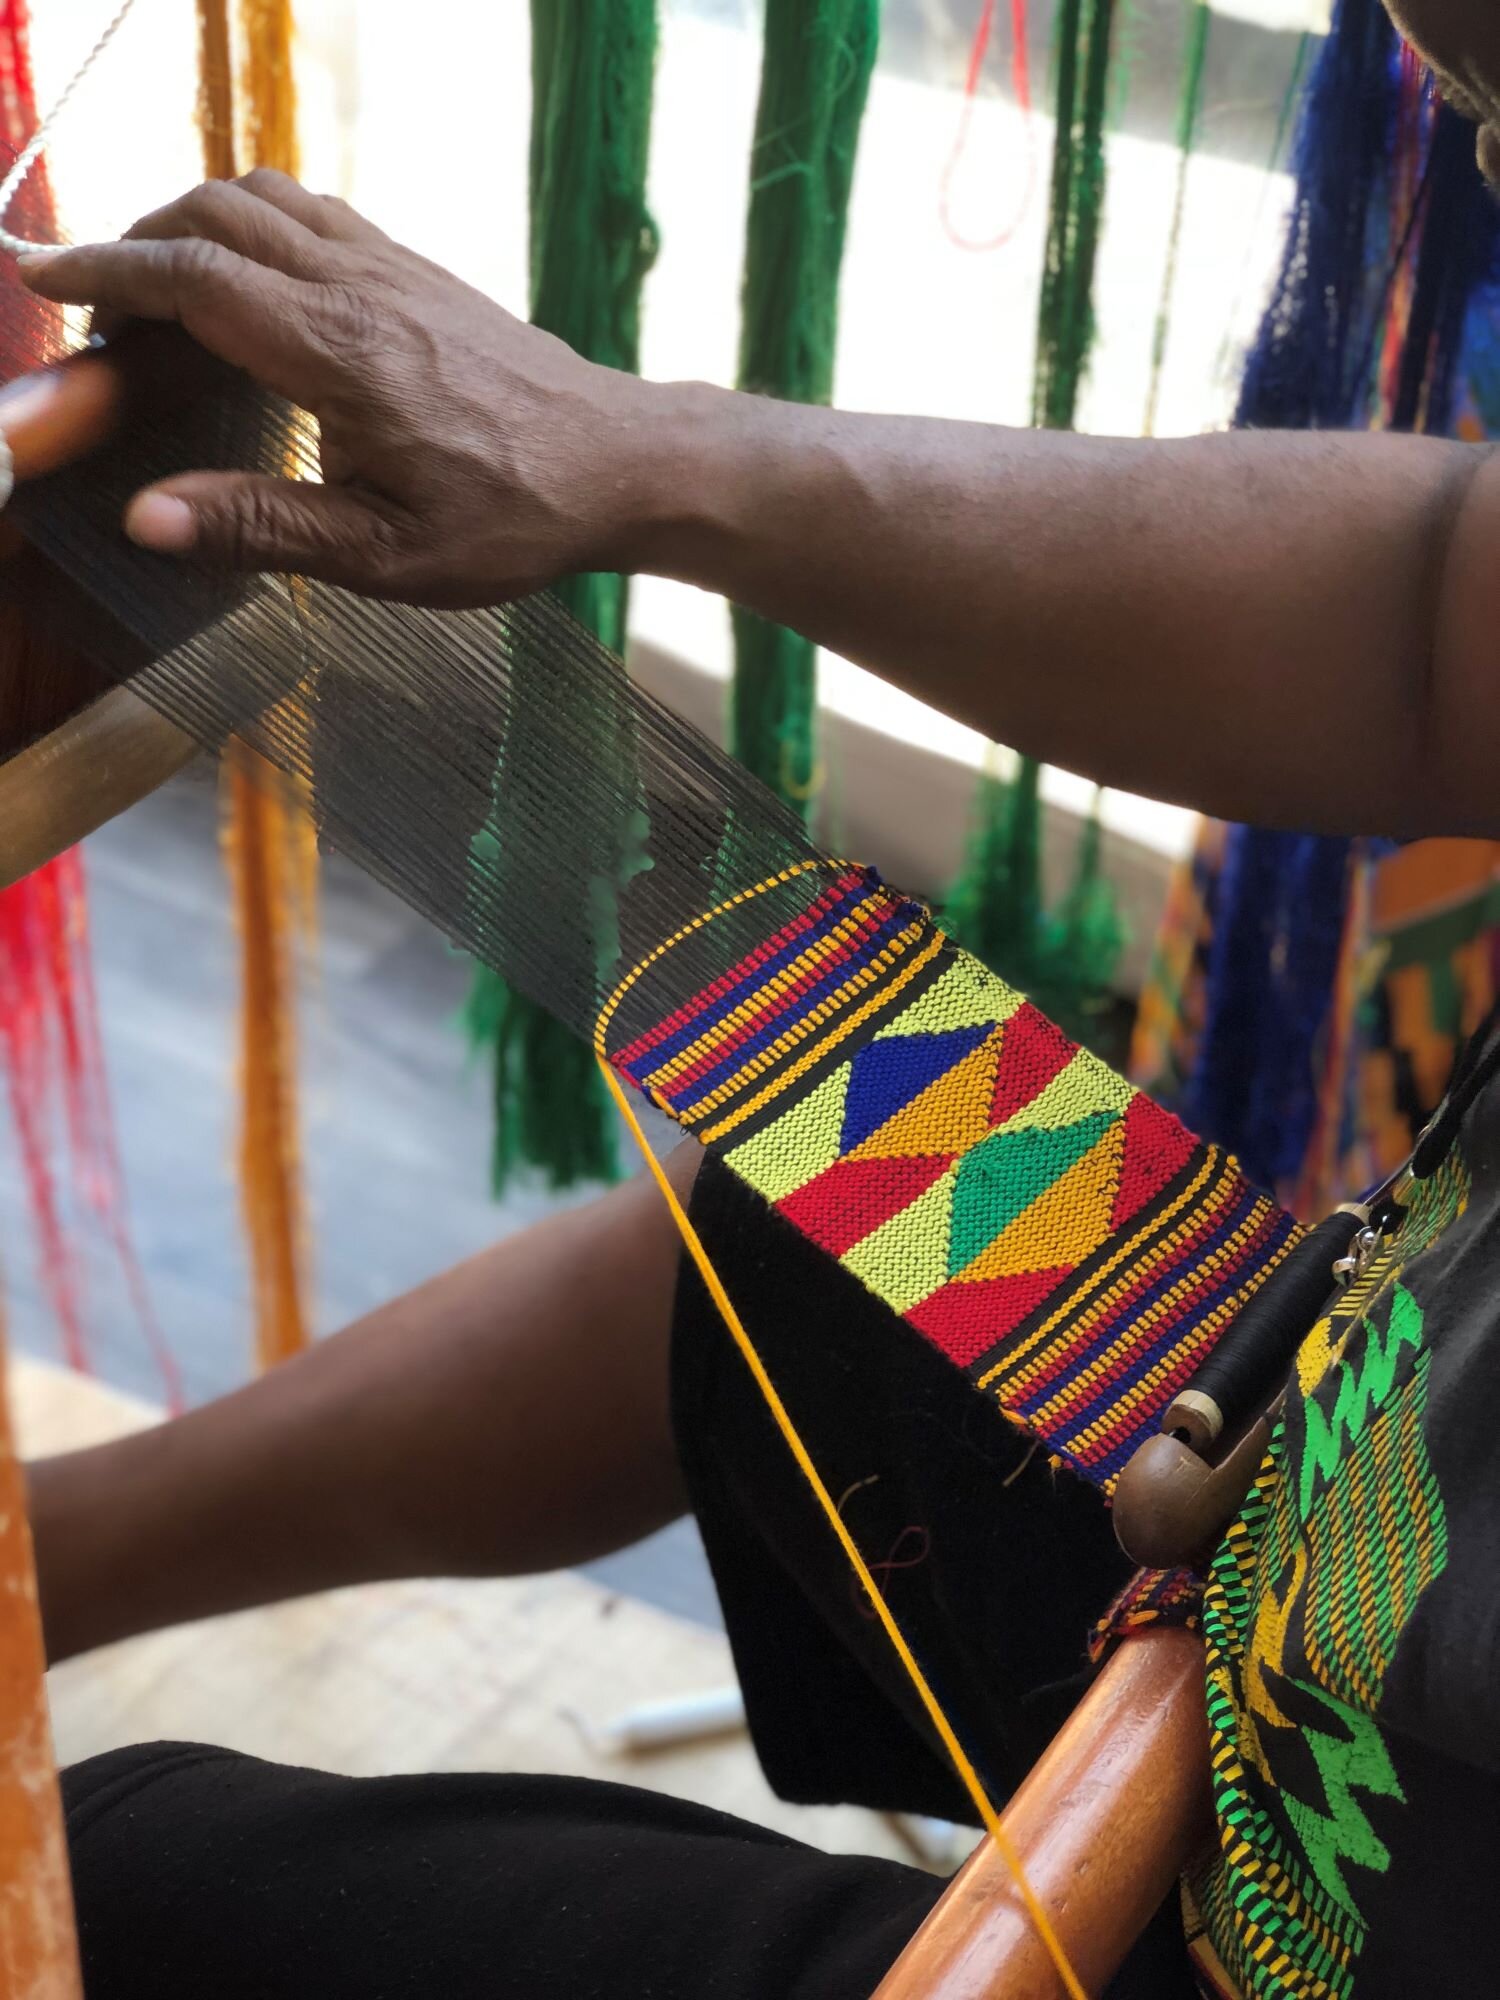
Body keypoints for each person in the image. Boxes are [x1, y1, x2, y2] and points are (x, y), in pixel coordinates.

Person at [16, 1, 1500, 1992]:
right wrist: (645, 453)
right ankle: (30, 1570)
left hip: (1374, 1863)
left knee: (121, 1886)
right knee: (805, 1194)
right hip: (1370, 1476)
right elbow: (1445, 620)